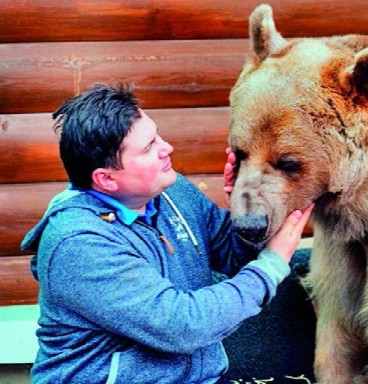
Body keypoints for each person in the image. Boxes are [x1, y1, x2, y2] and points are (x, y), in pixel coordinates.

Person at [21, 83, 314, 384]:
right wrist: (271, 265)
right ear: (106, 179)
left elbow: (232, 253)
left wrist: (247, 209)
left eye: (156, 135)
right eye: (148, 147)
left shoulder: (172, 191)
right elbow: (183, 325)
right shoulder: (80, 244)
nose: (166, 148)